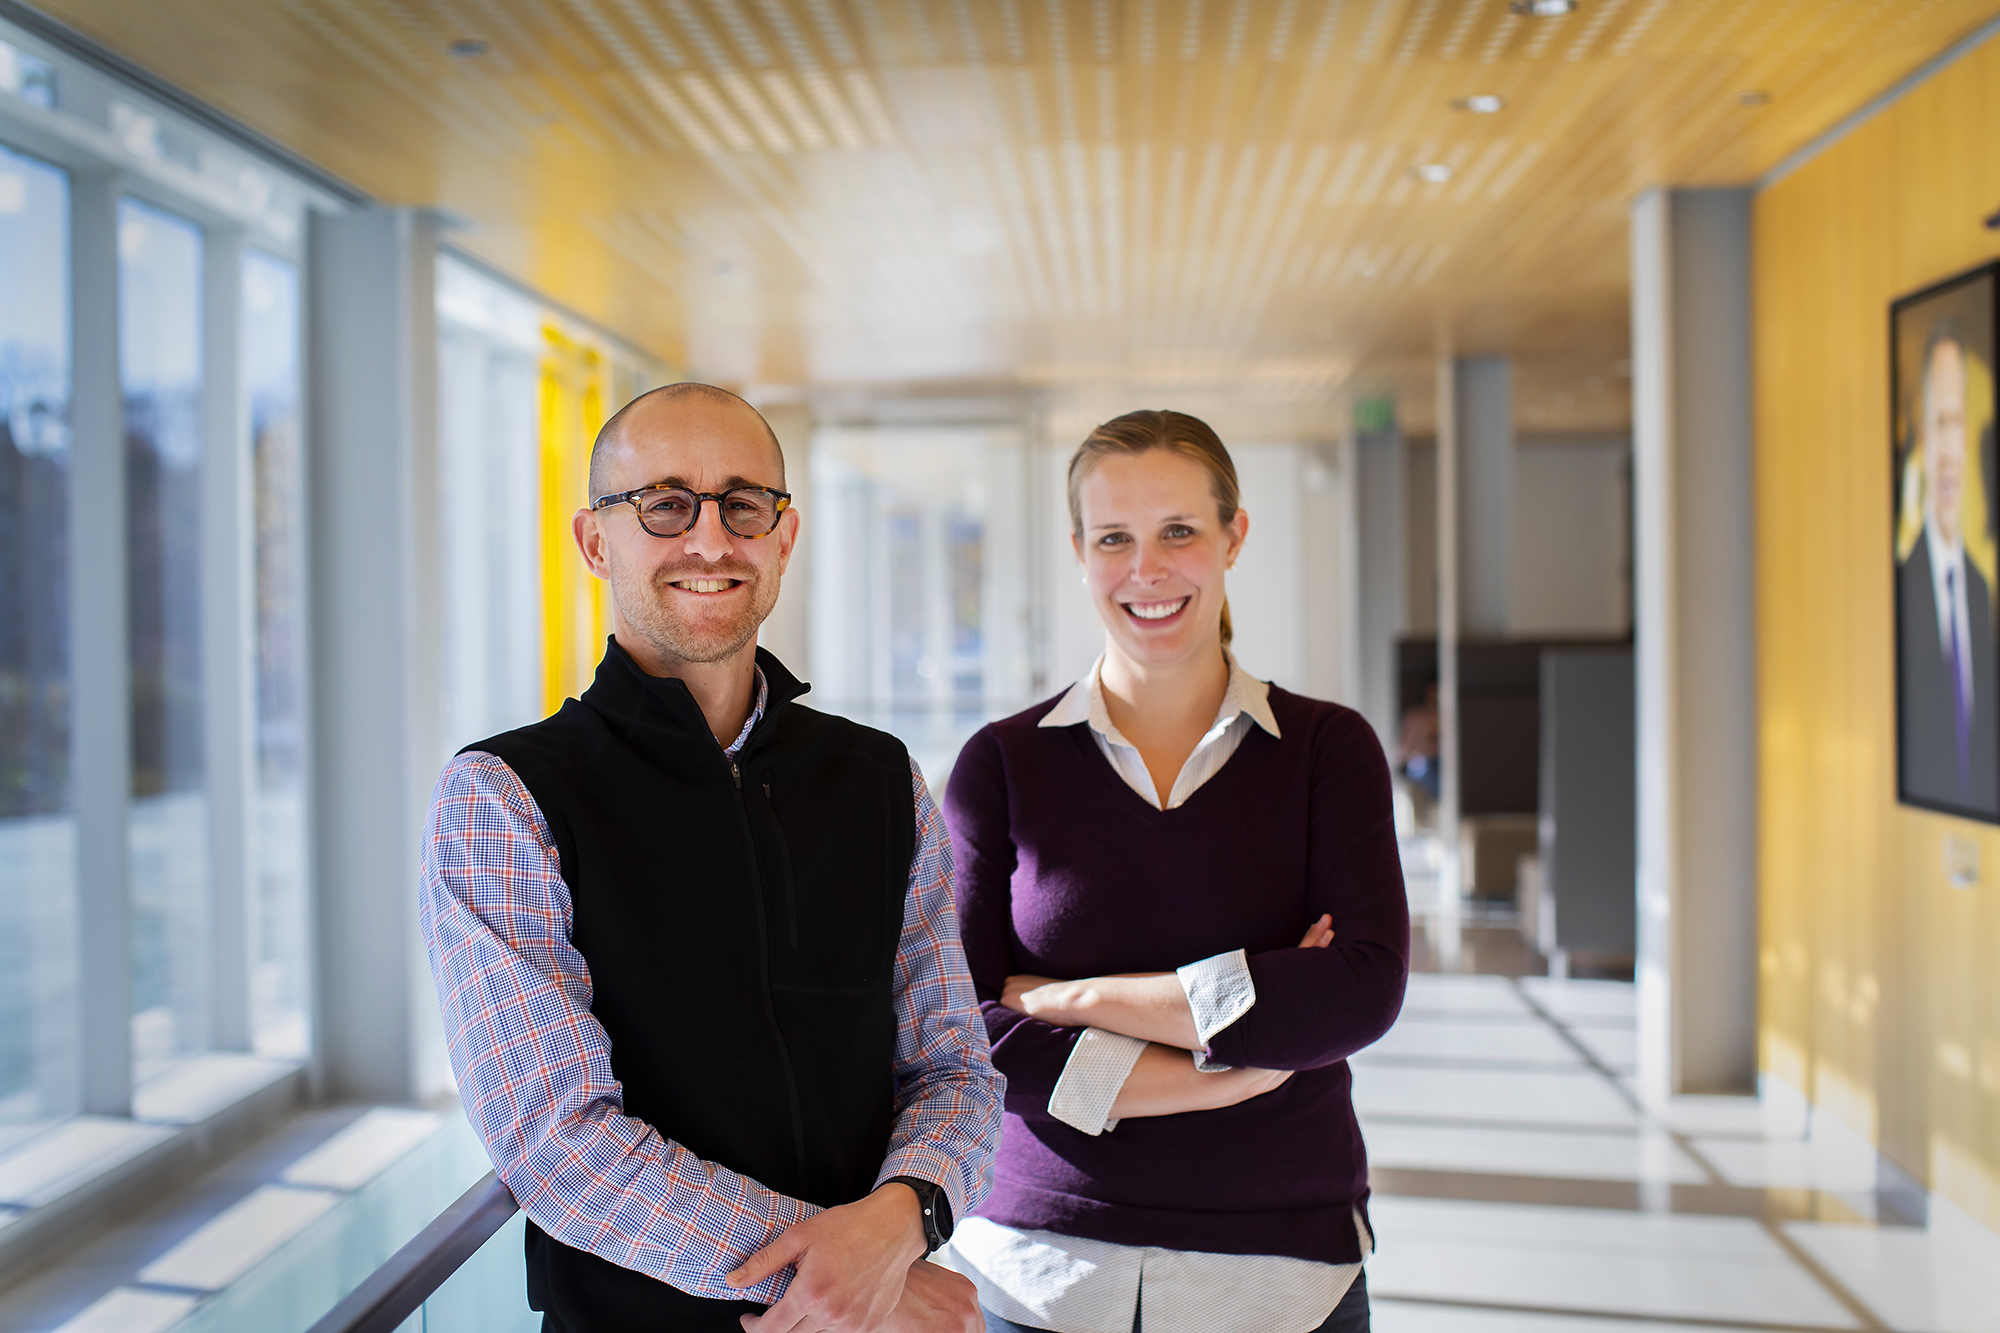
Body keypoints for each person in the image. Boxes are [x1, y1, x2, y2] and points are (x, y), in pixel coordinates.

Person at [420, 383, 1004, 1333]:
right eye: (664, 504)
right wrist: (843, 1277)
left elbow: (953, 1068)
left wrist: (904, 1221)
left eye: (743, 504)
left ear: (784, 536)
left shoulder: (880, 778)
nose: (709, 540)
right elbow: (560, 1143)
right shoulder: (503, 797)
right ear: (595, 541)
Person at [940, 409, 1410, 1333]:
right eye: (1115, 537)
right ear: (1079, 551)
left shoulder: (1327, 751)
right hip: (1044, 1267)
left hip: (1282, 1272)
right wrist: (1221, 1069)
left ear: (1234, 536)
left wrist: (1065, 999)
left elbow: (1359, 990)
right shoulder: (1001, 765)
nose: (1146, 569)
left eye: (1180, 531)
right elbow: (960, 1027)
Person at [1898, 324, 1999, 812]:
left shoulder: (1981, 594)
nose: (1948, 455)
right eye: (1939, 424)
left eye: (1957, 423)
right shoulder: (1901, 587)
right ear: (1922, 438)